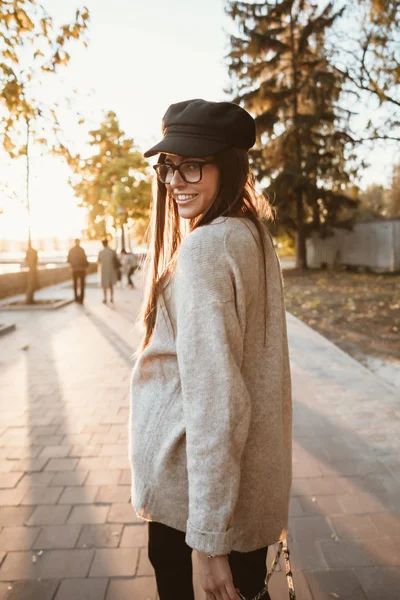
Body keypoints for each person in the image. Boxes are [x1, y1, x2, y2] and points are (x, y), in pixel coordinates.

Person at [129, 99, 292, 600]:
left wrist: (207, 541)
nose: (175, 180)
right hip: (242, 496)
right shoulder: (251, 234)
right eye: (168, 167)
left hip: (194, 507)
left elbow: (217, 401)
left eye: (192, 166)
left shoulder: (204, 248)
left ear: (230, 164)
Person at [67, 238, 89, 304]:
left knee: (75, 284)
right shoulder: (82, 250)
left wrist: (73, 264)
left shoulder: (71, 250)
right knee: (82, 284)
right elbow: (85, 259)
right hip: (82, 269)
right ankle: (81, 298)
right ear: (79, 242)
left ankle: (76, 298)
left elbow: (68, 260)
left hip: (74, 269)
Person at [97, 239, 119, 303]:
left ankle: (105, 298)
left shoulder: (101, 252)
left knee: (104, 285)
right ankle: (112, 298)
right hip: (112, 269)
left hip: (104, 270)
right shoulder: (112, 251)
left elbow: (98, 261)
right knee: (111, 285)